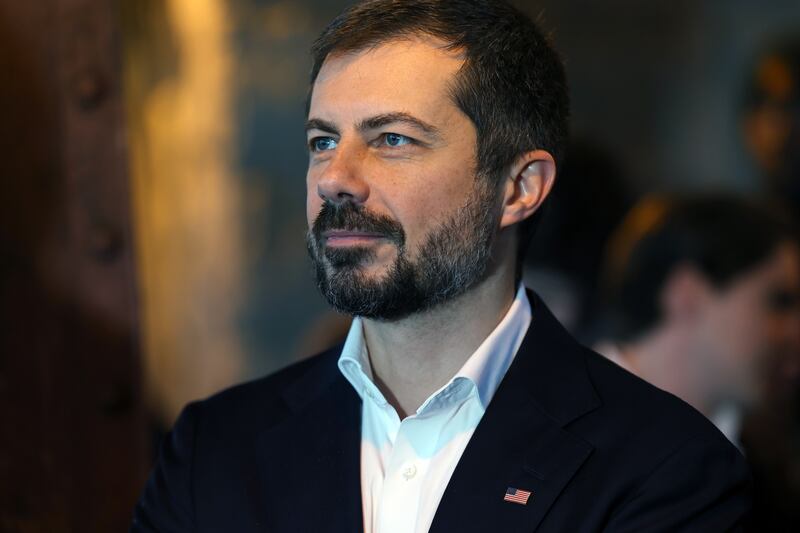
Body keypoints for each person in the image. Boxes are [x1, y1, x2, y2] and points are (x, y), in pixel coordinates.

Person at [131, 1, 750, 531]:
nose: (337, 179)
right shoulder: (212, 450)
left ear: (518, 188)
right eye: (323, 141)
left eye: (392, 139)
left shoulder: (665, 468)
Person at [596, 194, 800, 446]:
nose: (794, 331)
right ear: (687, 294)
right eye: (779, 302)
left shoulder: (755, 453)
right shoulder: (561, 412)